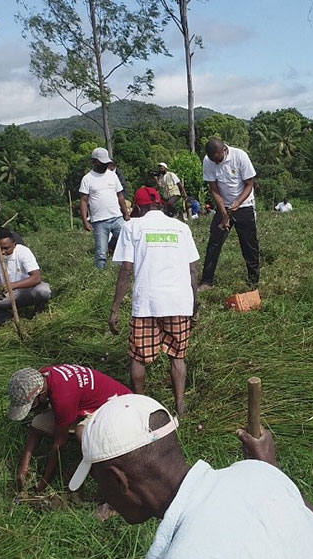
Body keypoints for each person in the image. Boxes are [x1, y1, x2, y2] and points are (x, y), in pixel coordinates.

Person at [67, 394, 313, 559]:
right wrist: (272, 473)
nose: (100, 494)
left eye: (97, 482)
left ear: (118, 480)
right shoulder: (260, 475)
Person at [110, 187, 199, 415]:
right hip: (179, 302)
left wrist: (116, 309)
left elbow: (127, 269)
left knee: (138, 356)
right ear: (160, 204)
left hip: (146, 304)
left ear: (138, 208)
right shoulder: (181, 228)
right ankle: (180, 405)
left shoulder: (132, 226)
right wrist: (194, 305)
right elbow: (193, 269)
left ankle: (140, 406)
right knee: (178, 356)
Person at [7, 365, 132, 493]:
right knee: (38, 422)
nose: (33, 409)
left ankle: (107, 477)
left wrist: (44, 482)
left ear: (42, 394)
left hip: (115, 407)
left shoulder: (63, 398)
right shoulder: (43, 374)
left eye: (33, 404)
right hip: (85, 400)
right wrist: (24, 466)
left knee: (81, 434)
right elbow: (37, 428)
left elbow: (59, 444)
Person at [199, 138, 260, 291]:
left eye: (217, 159)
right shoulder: (208, 161)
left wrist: (237, 203)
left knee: (249, 244)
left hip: (244, 205)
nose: (216, 163)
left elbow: (249, 184)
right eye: (213, 160)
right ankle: (207, 281)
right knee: (214, 243)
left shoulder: (240, 156)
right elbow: (214, 188)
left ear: (223, 151)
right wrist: (224, 214)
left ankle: (253, 281)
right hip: (223, 206)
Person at [0, 227, 51, 325]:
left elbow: (36, 278)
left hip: (26, 291)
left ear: (14, 245)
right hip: (5, 295)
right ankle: (7, 321)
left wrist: (12, 285)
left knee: (44, 290)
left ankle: (38, 315)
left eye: (6, 248)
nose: (2, 252)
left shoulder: (23, 251)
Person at [80, 148, 131, 269]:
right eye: (101, 163)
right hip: (99, 221)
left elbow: (120, 196)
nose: (105, 165)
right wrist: (85, 221)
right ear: (93, 162)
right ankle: (100, 275)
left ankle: (127, 269)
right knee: (101, 253)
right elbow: (83, 200)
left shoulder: (112, 176)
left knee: (129, 242)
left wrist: (126, 214)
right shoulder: (87, 179)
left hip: (117, 217)